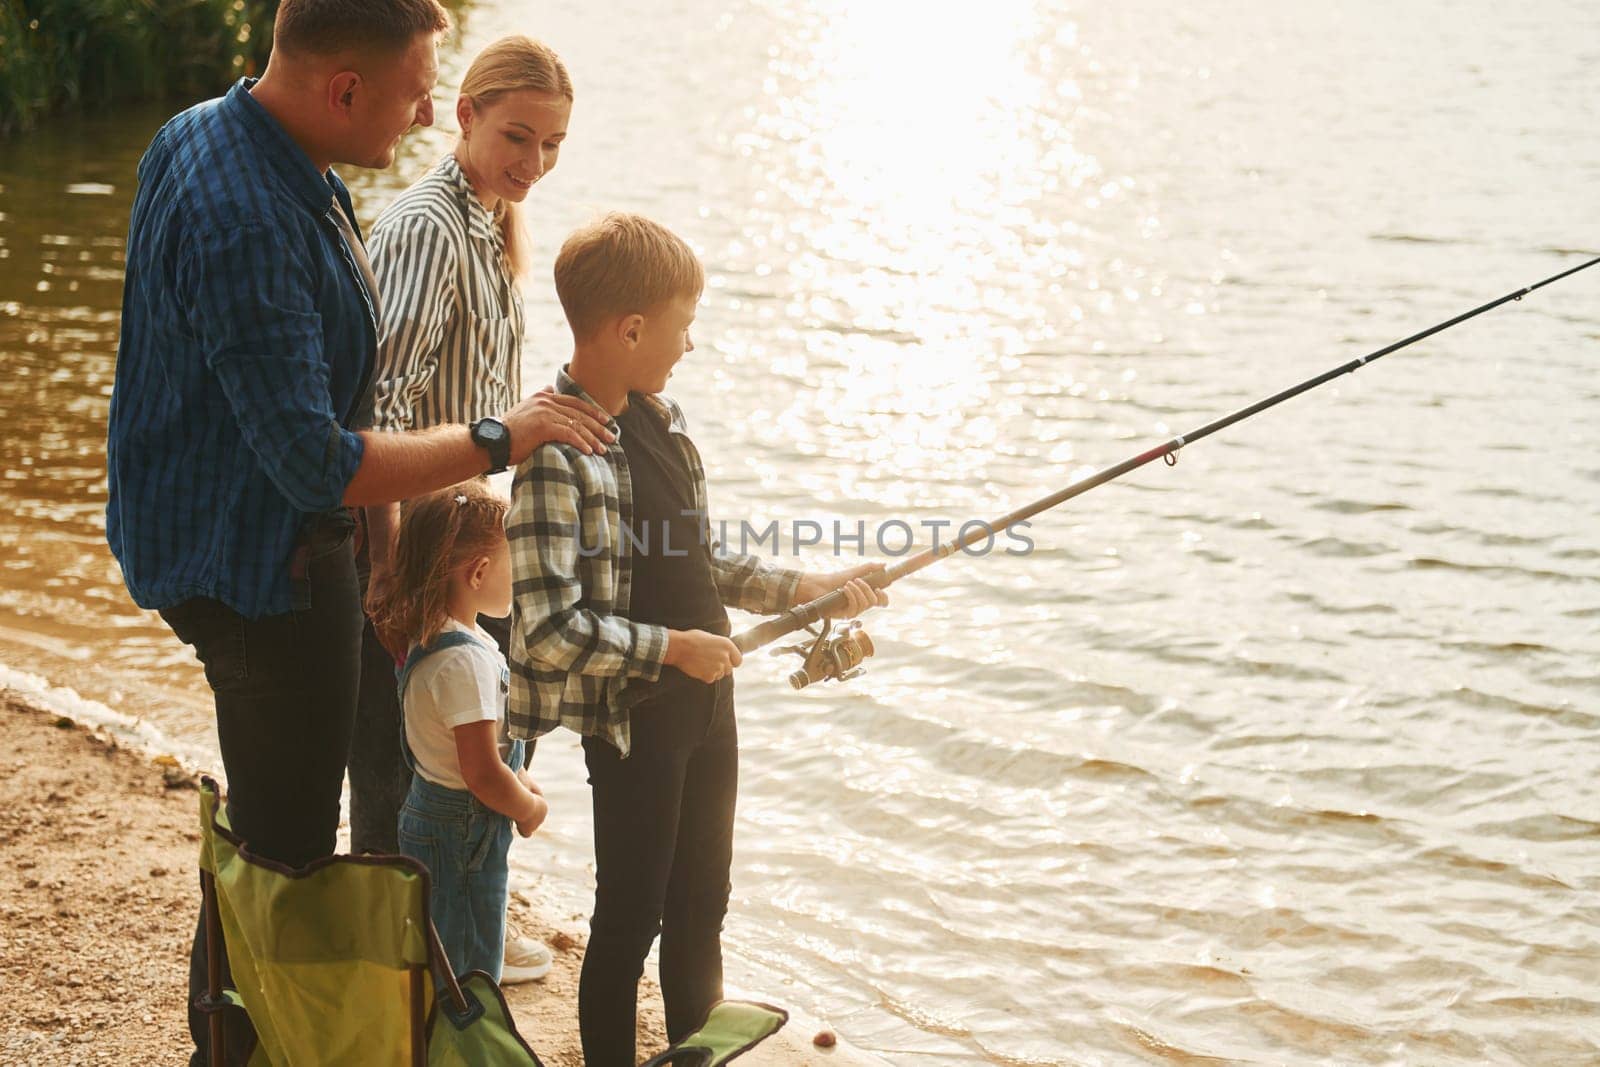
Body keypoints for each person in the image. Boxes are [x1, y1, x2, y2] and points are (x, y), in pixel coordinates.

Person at [102, 2, 611, 1061]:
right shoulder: (247, 207)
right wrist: (493, 440)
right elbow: (319, 458)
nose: (429, 108)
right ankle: (237, 1045)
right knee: (287, 845)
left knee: (264, 827)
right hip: (261, 569)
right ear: (343, 87)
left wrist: (385, 553)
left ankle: (230, 1032)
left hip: (223, 532)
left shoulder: (222, 132)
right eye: (418, 87)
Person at [506, 212, 888, 1065]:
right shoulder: (554, 453)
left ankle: (696, 1056)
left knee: (703, 905)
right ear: (631, 328)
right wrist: (672, 649)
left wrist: (802, 588)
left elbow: (697, 554)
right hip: (639, 714)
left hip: (709, 702)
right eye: (683, 325)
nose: (689, 344)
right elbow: (548, 626)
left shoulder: (661, 419)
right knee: (630, 916)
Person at [349, 34, 574, 982]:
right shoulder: (429, 227)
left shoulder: (489, 221)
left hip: (463, 552)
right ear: (464, 115)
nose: (534, 162)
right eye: (517, 136)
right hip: (414, 555)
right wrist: (393, 582)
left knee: (470, 741)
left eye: (553, 144)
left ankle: (461, 913)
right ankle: (409, 957)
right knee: (411, 768)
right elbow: (377, 408)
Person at [365, 480, 548, 980]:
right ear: (480, 572)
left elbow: (462, 747)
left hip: (435, 814)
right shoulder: (464, 662)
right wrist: (529, 807)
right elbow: (482, 773)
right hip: (462, 833)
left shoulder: (439, 637)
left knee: (440, 945)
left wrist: (522, 778)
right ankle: (460, 1045)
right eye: (516, 565)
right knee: (468, 961)